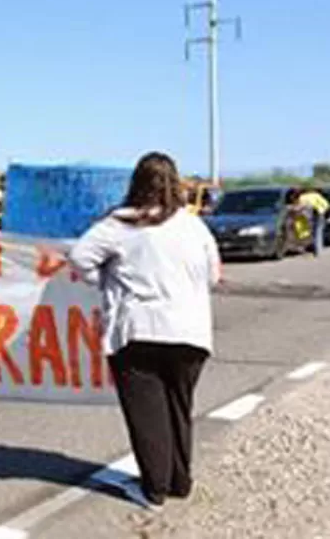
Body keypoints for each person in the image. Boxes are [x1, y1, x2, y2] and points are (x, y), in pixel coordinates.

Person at [68, 152, 222, 509]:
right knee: (177, 408)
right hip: (192, 332)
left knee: (147, 415)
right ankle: (179, 482)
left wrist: (104, 281)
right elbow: (213, 274)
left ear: (135, 183)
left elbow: (79, 257)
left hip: (139, 331)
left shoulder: (122, 223)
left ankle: (153, 489)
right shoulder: (193, 225)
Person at [297, 186, 330, 256]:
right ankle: (318, 250)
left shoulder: (301, 197)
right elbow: (326, 205)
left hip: (306, 217)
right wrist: (322, 211)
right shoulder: (316, 195)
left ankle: (311, 248)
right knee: (318, 232)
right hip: (317, 215)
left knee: (311, 233)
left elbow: (300, 207)